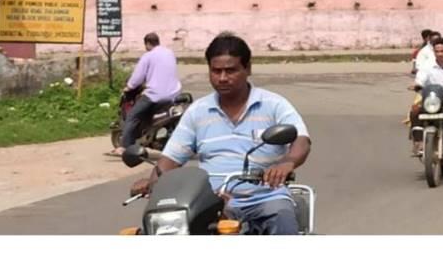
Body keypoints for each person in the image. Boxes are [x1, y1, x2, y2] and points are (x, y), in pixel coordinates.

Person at [128, 33, 312, 235]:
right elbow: (171, 158)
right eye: (216, 71)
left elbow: (301, 140)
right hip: (212, 200)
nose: (222, 78)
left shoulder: (273, 104)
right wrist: (153, 181)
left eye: (230, 70)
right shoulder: (198, 111)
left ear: (247, 68)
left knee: (281, 215)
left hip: (265, 197)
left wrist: (287, 162)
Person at [111, 32, 182, 156]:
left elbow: (137, 77)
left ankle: (124, 147)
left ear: (147, 44)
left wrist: (129, 87)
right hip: (174, 93)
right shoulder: (169, 53)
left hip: (155, 94)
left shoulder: (148, 56)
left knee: (132, 116)